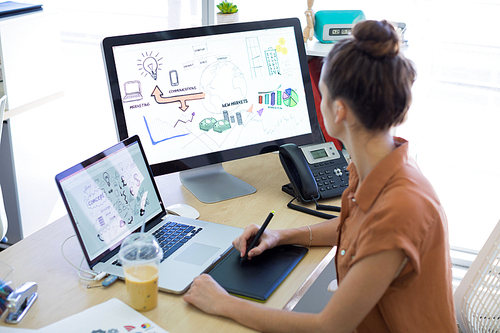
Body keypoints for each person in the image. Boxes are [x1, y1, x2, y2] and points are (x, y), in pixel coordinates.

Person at [184, 20, 457, 333]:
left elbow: (328, 327)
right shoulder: (381, 166)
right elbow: (356, 229)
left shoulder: (401, 207)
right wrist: (281, 236)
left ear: (338, 110)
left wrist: (224, 303)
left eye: (321, 95)